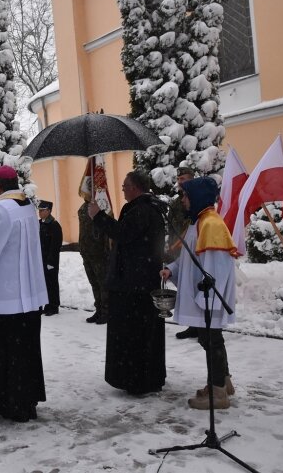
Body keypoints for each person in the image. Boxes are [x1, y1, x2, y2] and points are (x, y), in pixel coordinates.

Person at [0, 165, 48, 422]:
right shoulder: (27, 207)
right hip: (27, 296)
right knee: (24, 352)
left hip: (4, 298)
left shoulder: (0, 210)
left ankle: (6, 403)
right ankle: (25, 401)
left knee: (3, 354)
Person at [161, 177, 238, 409]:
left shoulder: (211, 225)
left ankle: (218, 393)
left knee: (211, 340)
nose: (183, 200)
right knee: (210, 340)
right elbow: (190, 259)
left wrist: (208, 300)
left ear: (197, 197)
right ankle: (221, 382)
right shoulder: (199, 222)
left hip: (208, 299)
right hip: (202, 297)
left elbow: (216, 268)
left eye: (185, 196)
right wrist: (171, 270)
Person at [88, 171, 166, 395]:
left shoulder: (142, 210)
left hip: (134, 284)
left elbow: (123, 234)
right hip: (139, 280)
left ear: (135, 188)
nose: (122, 189)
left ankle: (137, 379)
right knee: (144, 333)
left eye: (125, 186)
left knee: (134, 333)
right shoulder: (146, 207)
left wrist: (98, 216)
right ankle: (147, 375)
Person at [167, 166, 198, 340]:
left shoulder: (196, 200)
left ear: (192, 179)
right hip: (176, 251)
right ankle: (193, 325)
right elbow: (171, 225)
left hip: (191, 250)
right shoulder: (175, 202)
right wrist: (170, 245)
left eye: (184, 179)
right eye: (178, 179)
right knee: (185, 290)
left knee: (196, 290)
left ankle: (202, 327)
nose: (180, 182)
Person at [78, 191, 110, 324]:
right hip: (87, 251)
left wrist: (106, 250)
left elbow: (107, 230)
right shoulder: (83, 208)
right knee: (94, 283)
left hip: (99, 253)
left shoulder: (101, 205)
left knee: (103, 283)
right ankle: (99, 310)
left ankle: (107, 311)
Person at [38, 200, 62, 316]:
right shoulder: (40, 224)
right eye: (39, 210)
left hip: (50, 260)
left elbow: (55, 246)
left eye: (42, 210)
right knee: (45, 283)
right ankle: (47, 304)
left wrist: (51, 261)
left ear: (48, 211)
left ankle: (54, 305)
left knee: (52, 283)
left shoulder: (54, 225)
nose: (40, 212)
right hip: (41, 259)